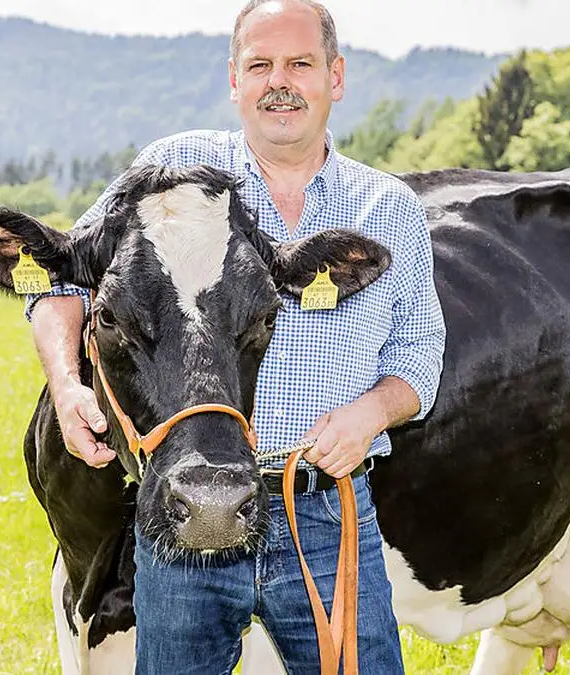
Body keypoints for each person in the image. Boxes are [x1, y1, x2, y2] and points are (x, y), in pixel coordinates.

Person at [23, 0, 445, 671]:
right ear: (235, 80)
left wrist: (370, 413)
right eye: (261, 64)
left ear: (335, 77)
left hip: (323, 513)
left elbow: (419, 357)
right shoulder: (173, 168)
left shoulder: (386, 209)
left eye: (300, 63)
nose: (280, 81)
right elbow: (63, 279)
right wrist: (68, 385)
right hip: (184, 501)